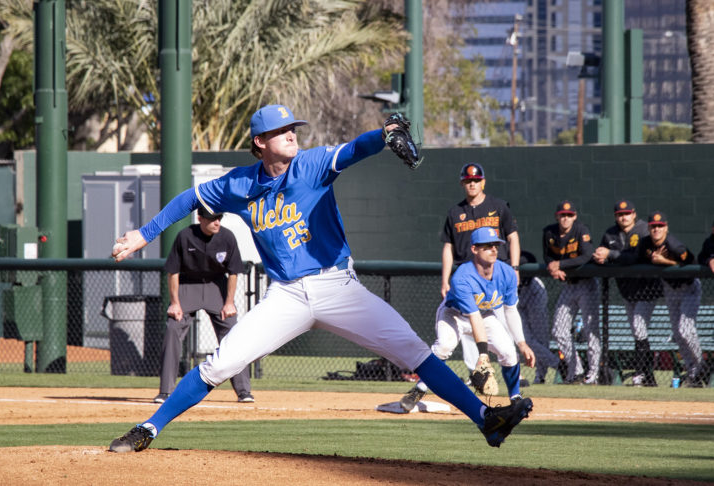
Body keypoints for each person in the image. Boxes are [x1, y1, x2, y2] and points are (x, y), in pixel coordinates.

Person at [107, 104, 533, 452]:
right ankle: (149, 427)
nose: (292, 133)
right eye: (282, 130)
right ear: (260, 142)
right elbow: (189, 198)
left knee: (414, 351)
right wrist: (144, 235)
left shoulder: (310, 165)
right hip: (286, 296)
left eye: (294, 127)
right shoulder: (239, 184)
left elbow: (352, 150)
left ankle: (486, 420)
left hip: (337, 287)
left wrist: (383, 136)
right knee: (222, 363)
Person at [399, 227, 535, 412]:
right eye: (487, 246)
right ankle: (419, 389)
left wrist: (522, 343)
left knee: (509, 352)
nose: (494, 249)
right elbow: (473, 316)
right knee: (444, 347)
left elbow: (510, 311)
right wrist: (483, 354)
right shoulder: (463, 276)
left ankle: (515, 397)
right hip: (454, 314)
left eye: (495, 245)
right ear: (474, 249)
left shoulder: (507, 273)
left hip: (486, 315)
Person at [154, 207, 252, 404]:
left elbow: (233, 272)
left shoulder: (227, 237)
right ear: (200, 219)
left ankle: (243, 391)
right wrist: (175, 303)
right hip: (188, 286)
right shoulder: (185, 236)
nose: (217, 222)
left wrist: (229, 303)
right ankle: (165, 391)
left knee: (233, 332)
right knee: (173, 328)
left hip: (217, 286)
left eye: (219, 218)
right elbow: (173, 272)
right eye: (212, 219)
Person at [440, 163, 522, 382]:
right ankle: (477, 373)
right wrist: (445, 279)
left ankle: (511, 369)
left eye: (476, 180)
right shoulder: (456, 212)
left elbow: (512, 236)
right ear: (462, 184)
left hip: (495, 276)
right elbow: (448, 246)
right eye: (468, 181)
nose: (472, 184)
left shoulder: (498, 206)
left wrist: (514, 267)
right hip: (466, 278)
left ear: (483, 182)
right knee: (468, 331)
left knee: (503, 326)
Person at [592, 199, 662, 387]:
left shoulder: (643, 230)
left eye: (627, 213)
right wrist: (601, 258)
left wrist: (610, 255)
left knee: (639, 328)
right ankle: (649, 377)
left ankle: (641, 374)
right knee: (637, 331)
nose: (624, 217)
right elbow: (604, 256)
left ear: (634, 214)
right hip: (627, 290)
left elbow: (636, 256)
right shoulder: (610, 234)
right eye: (620, 214)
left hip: (647, 288)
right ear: (616, 216)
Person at [640, 211, 707, 387]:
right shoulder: (645, 244)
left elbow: (692, 263)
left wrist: (664, 262)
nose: (656, 229)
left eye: (660, 226)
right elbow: (635, 257)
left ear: (666, 227)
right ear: (649, 228)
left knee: (685, 329)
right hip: (670, 289)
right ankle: (693, 369)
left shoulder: (674, 245)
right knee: (678, 334)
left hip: (689, 288)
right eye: (653, 226)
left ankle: (702, 365)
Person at [542, 200, 600, 385]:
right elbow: (548, 255)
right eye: (562, 215)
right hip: (568, 285)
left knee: (591, 331)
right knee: (558, 330)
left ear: (574, 216)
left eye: (569, 215)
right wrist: (554, 268)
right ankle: (576, 371)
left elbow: (586, 255)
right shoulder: (549, 232)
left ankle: (593, 375)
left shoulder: (581, 230)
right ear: (557, 216)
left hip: (587, 285)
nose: (565, 218)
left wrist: (561, 264)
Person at [517, 251, 558, 384]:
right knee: (525, 338)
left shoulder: (521, 254)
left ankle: (540, 376)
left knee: (541, 337)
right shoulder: (503, 256)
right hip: (518, 293)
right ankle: (557, 363)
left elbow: (530, 259)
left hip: (534, 291)